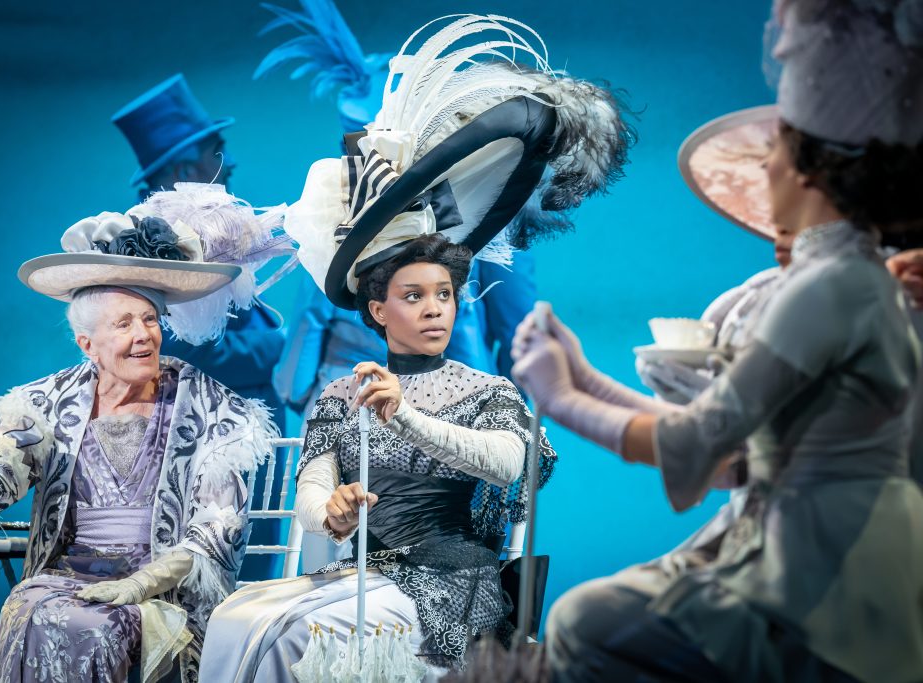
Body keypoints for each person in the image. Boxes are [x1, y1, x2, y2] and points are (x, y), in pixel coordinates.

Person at [200, 14, 636, 680]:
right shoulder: (338, 395)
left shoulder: (485, 391)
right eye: (413, 295)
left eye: (443, 294)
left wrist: (406, 412)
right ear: (379, 306)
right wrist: (331, 507)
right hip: (359, 567)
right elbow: (315, 483)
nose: (434, 307)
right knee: (240, 620)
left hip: (450, 579)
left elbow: (504, 458)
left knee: (301, 635)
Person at [511, 2, 923, 680]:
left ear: (809, 175)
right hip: (803, 540)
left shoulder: (828, 288)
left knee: (583, 622)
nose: (762, 176)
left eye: (774, 158)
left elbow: (696, 442)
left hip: (826, 566)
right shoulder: (842, 279)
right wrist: (581, 373)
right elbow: (725, 443)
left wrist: (560, 397)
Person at [0, 184, 287, 682]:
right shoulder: (45, 403)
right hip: (63, 581)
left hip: (163, 593)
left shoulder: (211, 407)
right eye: (124, 324)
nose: (144, 336)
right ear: (86, 343)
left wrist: (138, 585)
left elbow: (216, 531)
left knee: (91, 625)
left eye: (150, 320)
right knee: (32, 610)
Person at [114, 75, 291, 581]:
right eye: (217, 151)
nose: (228, 163)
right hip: (204, 445)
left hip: (246, 440)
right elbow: (180, 349)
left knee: (252, 588)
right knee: (209, 590)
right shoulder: (149, 251)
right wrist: (281, 348)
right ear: (182, 168)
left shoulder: (212, 232)